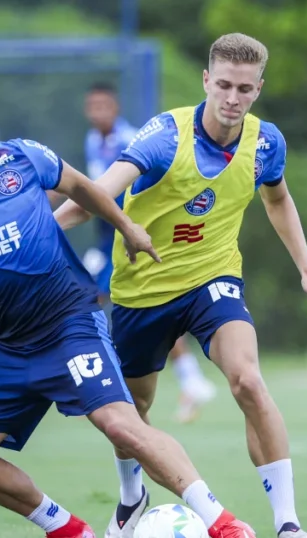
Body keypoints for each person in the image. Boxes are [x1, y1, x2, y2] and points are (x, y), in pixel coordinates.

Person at [0, 73, 256, 538]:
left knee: (121, 426)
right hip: (14, 345)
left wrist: (126, 226)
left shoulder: (22, 156)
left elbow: (84, 187)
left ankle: (222, 523)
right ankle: (68, 530)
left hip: (70, 322)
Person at [55, 33, 307, 538]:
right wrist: (43, 234)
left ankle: (289, 525)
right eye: (223, 85)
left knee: (248, 380)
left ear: (258, 89)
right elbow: (95, 197)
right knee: (133, 411)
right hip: (141, 291)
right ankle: (130, 495)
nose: (232, 98)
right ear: (206, 80)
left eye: (244, 89)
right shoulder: (164, 137)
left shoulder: (266, 142)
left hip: (213, 278)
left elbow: (278, 200)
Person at [82, 81, 217, 424]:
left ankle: (101, 383)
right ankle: (189, 379)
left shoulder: (133, 139)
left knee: (109, 303)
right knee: (102, 302)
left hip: (130, 235)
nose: (98, 113)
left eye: (104, 106)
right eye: (93, 107)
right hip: (105, 236)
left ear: (116, 107)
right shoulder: (92, 142)